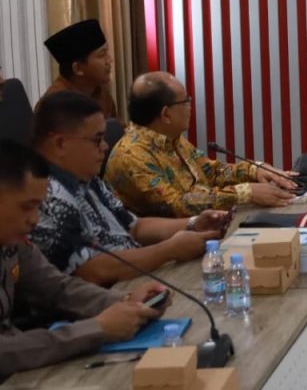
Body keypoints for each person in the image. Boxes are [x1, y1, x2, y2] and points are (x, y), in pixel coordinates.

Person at [0, 140, 167, 380]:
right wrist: (96, 329)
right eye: (26, 207)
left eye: (38, 207)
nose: (35, 220)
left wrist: (125, 301)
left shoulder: (12, 241)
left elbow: (58, 289)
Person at [28, 91, 231, 286]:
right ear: (60, 144)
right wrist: (169, 251)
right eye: (97, 140)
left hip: (137, 276)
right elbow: (91, 271)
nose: (105, 146)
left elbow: (134, 227)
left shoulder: (85, 178)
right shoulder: (46, 196)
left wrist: (193, 223)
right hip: (110, 294)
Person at [105, 72, 297, 217]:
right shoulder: (132, 156)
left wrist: (254, 170)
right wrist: (245, 193)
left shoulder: (171, 138)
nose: (190, 106)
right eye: (186, 101)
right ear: (166, 114)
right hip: (170, 246)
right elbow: (176, 205)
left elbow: (209, 171)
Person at [42, 19, 117, 119]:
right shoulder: (55, 106)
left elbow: (117, 126)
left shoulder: (99, 90)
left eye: (107, 52)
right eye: (102, 55)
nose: (110, 60)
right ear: (77, 68)